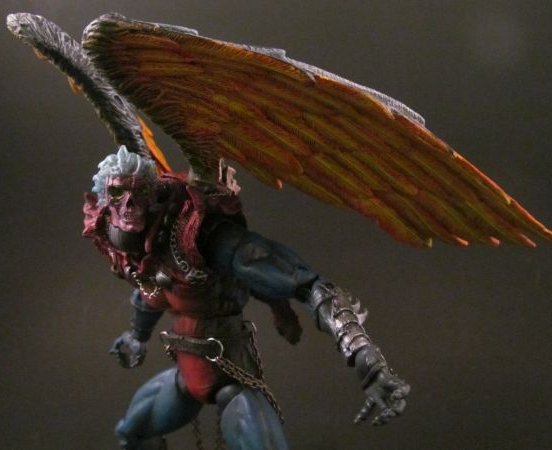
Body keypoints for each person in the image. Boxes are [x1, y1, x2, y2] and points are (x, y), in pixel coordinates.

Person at [83, 146, 409, 450]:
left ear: (153, 195)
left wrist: (366, 359)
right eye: (118, 193)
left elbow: (311, 286)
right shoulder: (136, 249)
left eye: (139, 192)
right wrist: (137, 336)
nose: (128, 204)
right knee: (131, 433)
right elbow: (150, 292)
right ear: (105, 199)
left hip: (231, 376)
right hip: (185, 376)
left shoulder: (202, 237)